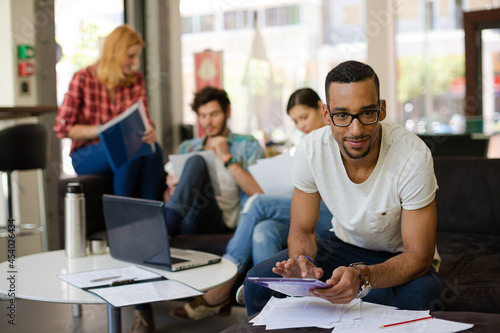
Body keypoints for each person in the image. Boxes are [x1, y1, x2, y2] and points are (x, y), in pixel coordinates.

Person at [243, 60, 444, 316]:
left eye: (367, 113)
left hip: (397, 257)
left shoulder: (412, 157)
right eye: (342, 115)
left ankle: (340, 295)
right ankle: (342, 294)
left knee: (423, 294)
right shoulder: (311, 150)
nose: (356, 130)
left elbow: (419, 257)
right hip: (341, 246)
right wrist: (304, 263)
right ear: (327, 115)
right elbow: (302, 229)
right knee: (256, 280)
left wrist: (363, 277)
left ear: (381, 110)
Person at [169, 88, 333, 322]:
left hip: (328, 213)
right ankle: (271, 305)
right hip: (304, 207)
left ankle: (223, 285)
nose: (300, 125)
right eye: (295, 121)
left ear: (322, 108)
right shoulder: (308, 144)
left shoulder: (334, 140)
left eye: (304, 117)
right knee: (262, 229)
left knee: (257, 204)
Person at [130, 86, 264, 333]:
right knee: (195, 161)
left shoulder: (247, 144)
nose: (208, 122)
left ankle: (160, 231)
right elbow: (169, 197)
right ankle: (165, 228)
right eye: (202, 116)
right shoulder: (188, 146)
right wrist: (172, 187)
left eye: (213, 114)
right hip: (189, 219)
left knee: (197, 161)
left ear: (227, 112)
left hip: (223, 219)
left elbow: (259, 193)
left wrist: (226, 157)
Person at [54, 24, 164, 200]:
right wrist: (102, 130)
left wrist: (149, 130)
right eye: (131, 56)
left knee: (154, 150)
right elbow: (63, 128)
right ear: (114, 52)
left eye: (137, 56)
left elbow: (144, 120)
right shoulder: (83, 78)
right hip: (86, 154)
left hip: (126, 147)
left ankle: (151, 217)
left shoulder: (136, 80)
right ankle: (122, 217)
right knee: (125, 147)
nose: (136, 63)